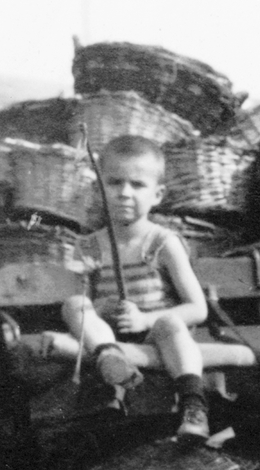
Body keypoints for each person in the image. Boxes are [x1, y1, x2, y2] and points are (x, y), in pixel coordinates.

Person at [60, 134, 211, 443]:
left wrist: (144, 320)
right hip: (108, 337)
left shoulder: (162, 243)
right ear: (98, 188)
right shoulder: (88, 245)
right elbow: (86, 304)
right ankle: (109, 359)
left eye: (137, 185)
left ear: (158, 194)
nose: (124, 193)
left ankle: (193, 407)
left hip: (157, 337)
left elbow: (198, 308)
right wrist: (99, 310)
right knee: (73, 304)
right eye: (114, 183)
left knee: (171, 322)